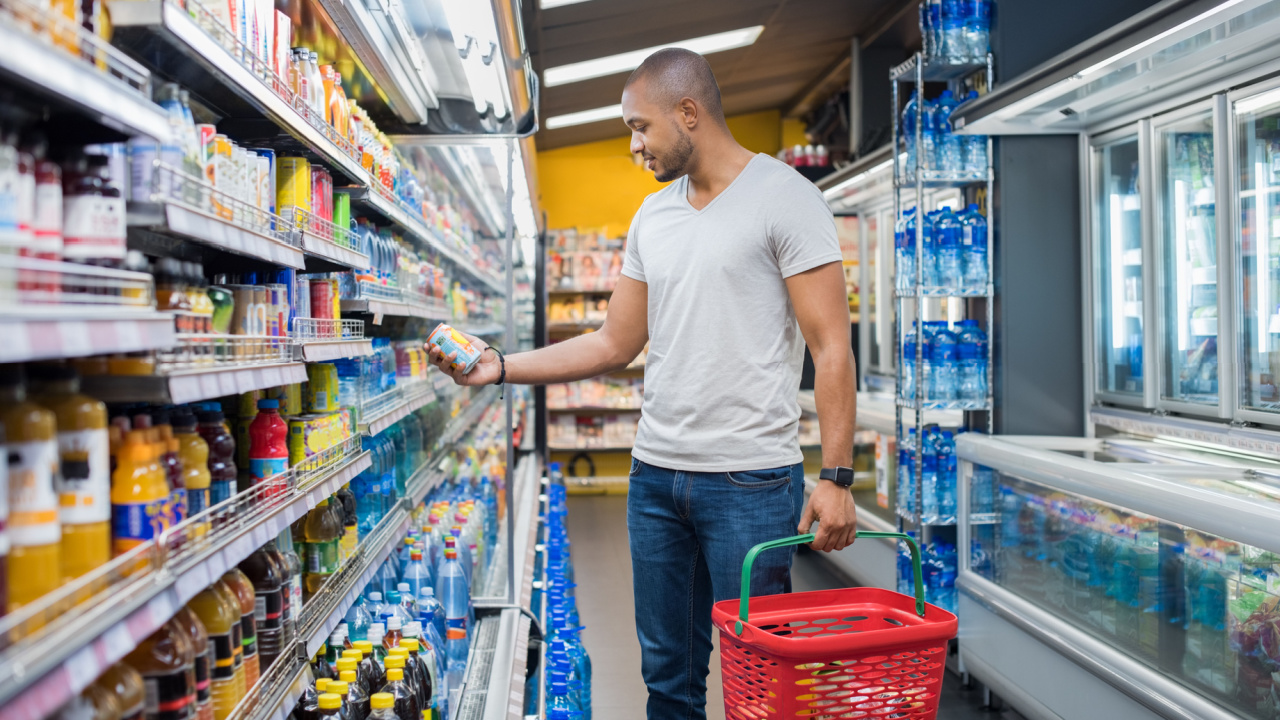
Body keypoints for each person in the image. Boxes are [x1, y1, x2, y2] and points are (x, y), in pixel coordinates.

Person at [426, 47, 857, 720]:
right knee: (667, 682)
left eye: (639, 127)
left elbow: (833, 345)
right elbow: (611, 342)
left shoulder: (786, 199)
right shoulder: (652, 217)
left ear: (689, 113)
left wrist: (836, 476)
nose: (633, 146)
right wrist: (501, 366)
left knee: (762, 685)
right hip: (656, 479)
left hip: (750, 483)